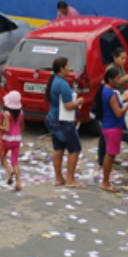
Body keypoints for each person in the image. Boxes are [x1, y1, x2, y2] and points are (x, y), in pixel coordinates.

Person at [45, 56, 84, 187]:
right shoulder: (63, 84)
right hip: (63, 121)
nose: (69, 68)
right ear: (62, 68)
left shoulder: (54, 81)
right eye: (68, 66)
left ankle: (58, 178)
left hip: (52, 118)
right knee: (74, 149)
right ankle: (70, 179)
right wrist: (78, 102)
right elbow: (68, 105)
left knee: (59, 149)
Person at [98, 66, 128, 192]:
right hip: (113, 127)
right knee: (110, 155)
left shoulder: (105, 90)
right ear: (110, 79)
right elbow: (118, 113)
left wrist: (124, 100)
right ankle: (105, 182)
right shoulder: (111, 94)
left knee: (109, 155)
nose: (119, 81)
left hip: (107, 125)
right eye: (117, 79)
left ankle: (105, 180)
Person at [0, 89, 23, 191]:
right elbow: (21, 126)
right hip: (17, 138)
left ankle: (9, 170)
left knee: (2, 157)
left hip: (7, 139)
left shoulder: (6, 114)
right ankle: (18, 183)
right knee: (15, 161)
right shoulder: (21, 113)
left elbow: (7, 128)